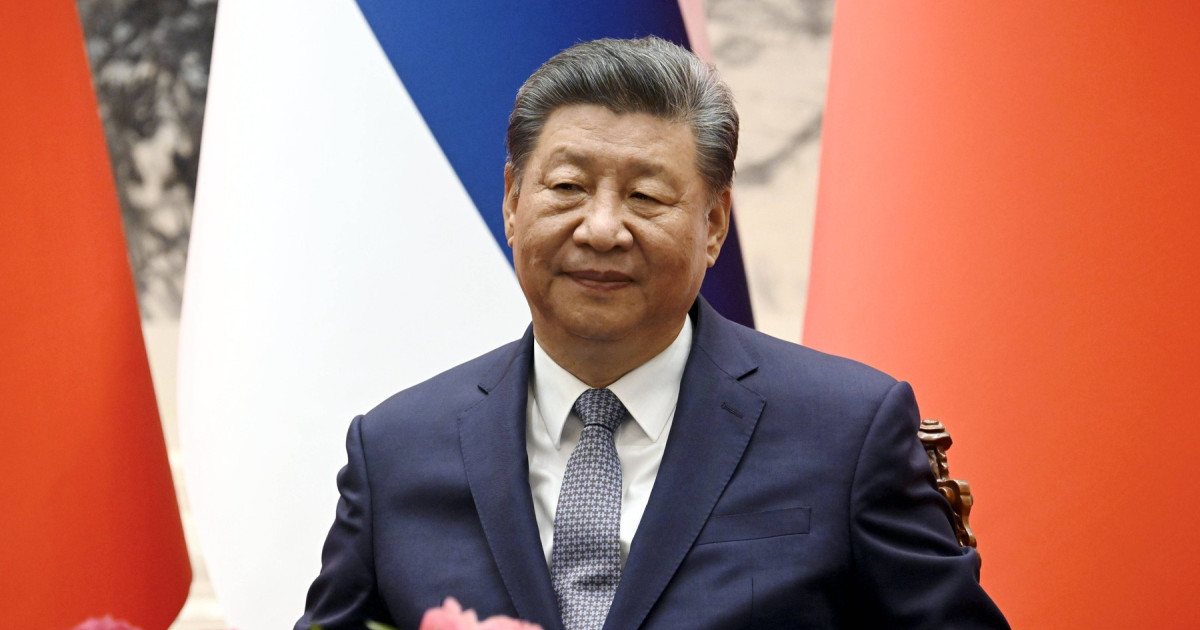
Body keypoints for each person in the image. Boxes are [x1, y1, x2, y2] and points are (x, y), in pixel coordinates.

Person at [296, 36, 1008, 630]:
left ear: (714, 225)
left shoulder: (847, 430)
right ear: (512, 201)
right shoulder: (394, 450)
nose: (602, 229)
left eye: (646, 196)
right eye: (568, 188)